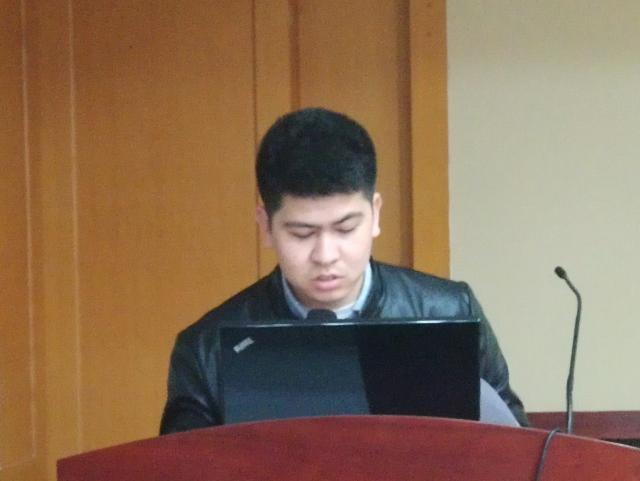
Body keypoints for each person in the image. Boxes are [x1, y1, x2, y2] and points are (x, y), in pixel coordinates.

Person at [160, 108, 528, 434]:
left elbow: (518, 450)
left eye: (346, 229)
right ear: (266, 226)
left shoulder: (451, 310)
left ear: (376, 214)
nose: (325, 255)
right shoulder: (206, 348)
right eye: (302, 233)